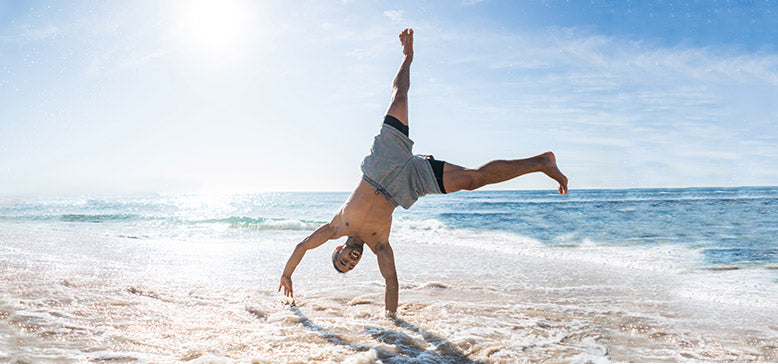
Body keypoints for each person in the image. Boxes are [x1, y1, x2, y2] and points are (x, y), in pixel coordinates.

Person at [279, 28, 568, 315]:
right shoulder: (380, 245)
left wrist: (287, 275)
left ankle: (407, 56)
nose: (350, 262)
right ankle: (541, 162)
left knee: (399, 98)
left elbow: (303, 246)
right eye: (351, 266)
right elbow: (391, 282)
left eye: (343, 261)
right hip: (407, 183)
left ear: (339, 249)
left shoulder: (336, 227)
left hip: (380, 166)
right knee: (471, 180)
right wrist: (392, 325)